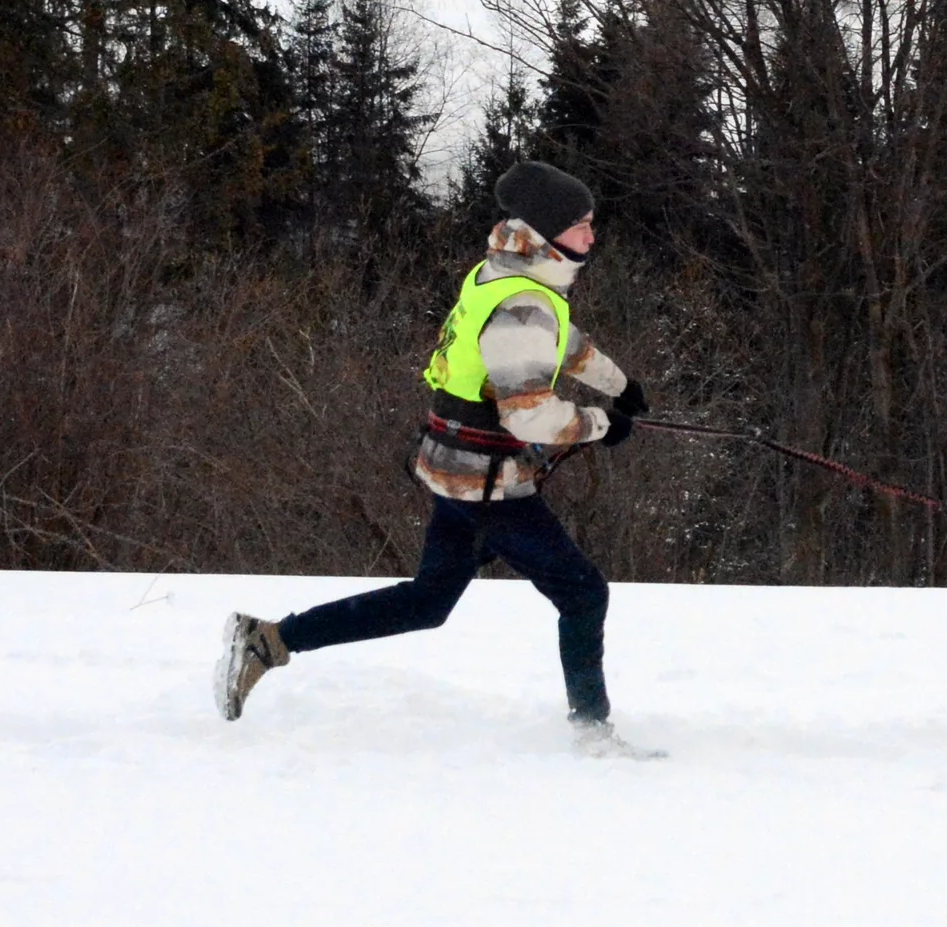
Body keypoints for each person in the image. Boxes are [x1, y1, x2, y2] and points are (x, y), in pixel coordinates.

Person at [215, 160, 655, 754]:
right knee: (584, 594)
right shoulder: (526, 303)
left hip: (455, 467)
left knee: (428, 601)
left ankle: (268, 641)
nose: (591, 236)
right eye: (581, 226)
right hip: (488, 483)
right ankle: (593, 734)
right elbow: (526, 414)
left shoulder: (499, 276)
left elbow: (565, 346)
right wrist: (601, 425)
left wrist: (619, 384)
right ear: (547, 233)